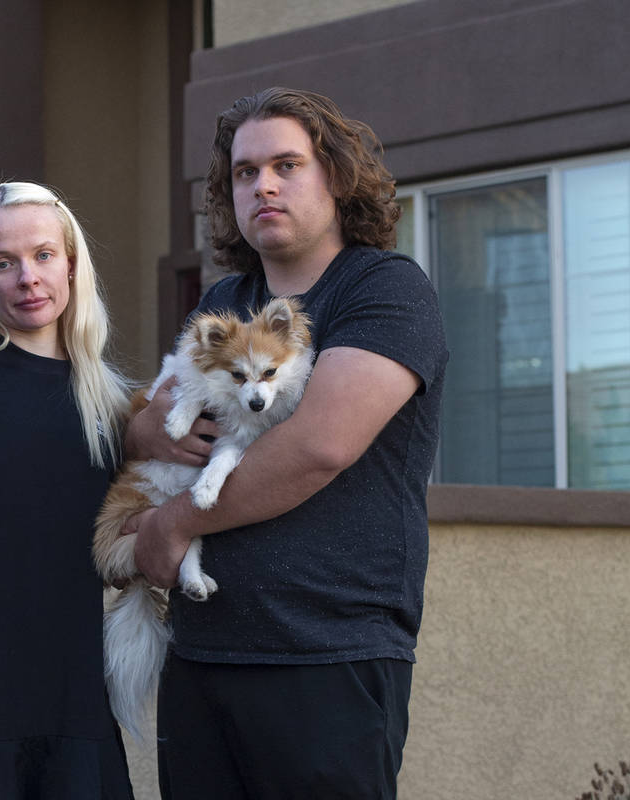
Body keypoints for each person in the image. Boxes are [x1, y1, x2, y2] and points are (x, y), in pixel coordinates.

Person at [125, 88, 448, 798]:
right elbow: (153, 417)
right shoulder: (221, 305)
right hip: (204, 649)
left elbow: (319, 445)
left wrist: (171, 524)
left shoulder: (384, 291)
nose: (263, 184)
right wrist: (142, 424)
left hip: (326, 652)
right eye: (244, 172)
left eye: (286, 165)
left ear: (333, 177)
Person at [0, 182, 134, 799]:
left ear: (71, 261)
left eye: (44, 255)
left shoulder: (110, 398)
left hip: (76, 696)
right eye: (3, 262)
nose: (28, 278)